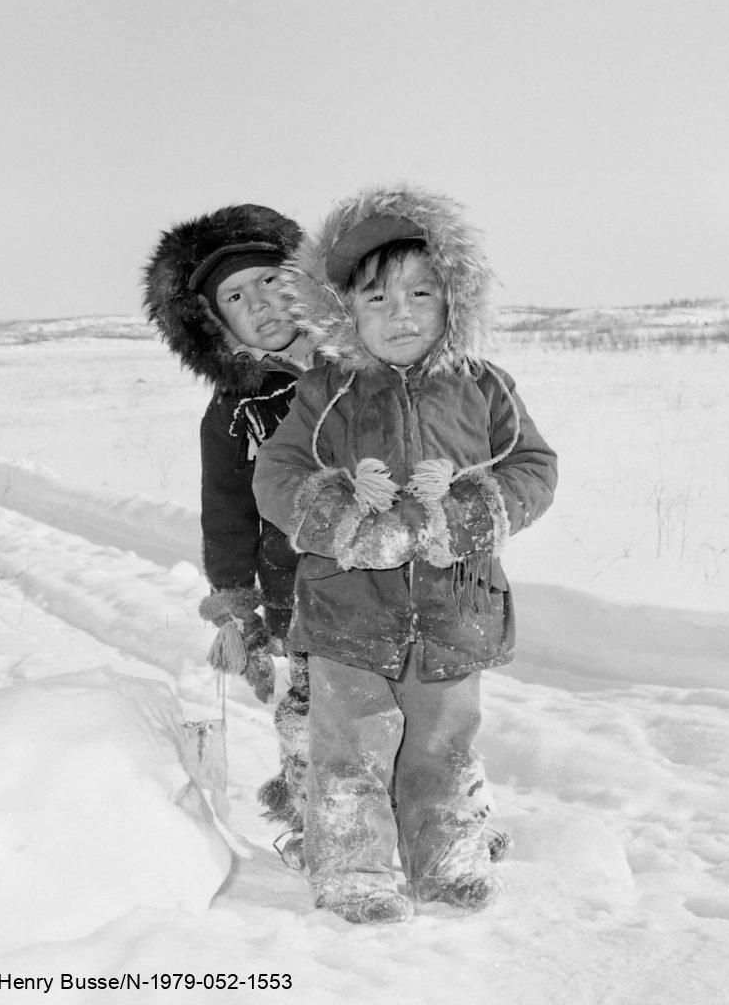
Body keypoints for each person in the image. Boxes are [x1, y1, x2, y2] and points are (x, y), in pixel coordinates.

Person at [253, 184, 558, 924]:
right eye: (379, 299)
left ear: (454, 301)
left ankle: (446, 857)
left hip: (456, 608)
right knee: (350, 745)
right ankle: (354, 868)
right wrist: (343, 512)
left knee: (444, 742)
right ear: (343, 311)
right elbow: (277, 475)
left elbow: (534, 470)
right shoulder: (327, 390)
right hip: (348, 609)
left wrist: (461, 510)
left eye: (423, 293)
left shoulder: (484, 388)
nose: (404, 314)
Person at [143, 204, 312, 865]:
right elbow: (226, 511)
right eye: (238, 298)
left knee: (417, 706)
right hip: (302, 591)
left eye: (272, 281)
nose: (263, 304)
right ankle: (317, 819)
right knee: (313, 711)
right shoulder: (233, 413)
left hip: (393, 583)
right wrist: (237, 603)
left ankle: (436, 818)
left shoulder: (367, 368)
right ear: (214, 324)